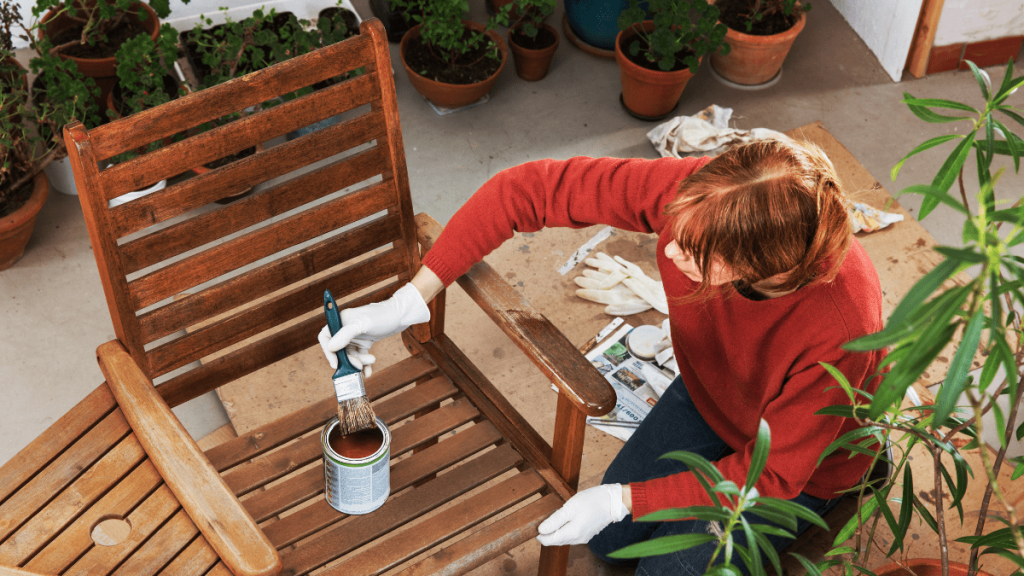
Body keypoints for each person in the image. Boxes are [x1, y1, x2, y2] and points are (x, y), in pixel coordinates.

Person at [318, 138, 886, 575]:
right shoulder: (707, 202)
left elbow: (776, 473)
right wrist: (409, 299)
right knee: (611, 542)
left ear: (758, 270)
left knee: (668, 567)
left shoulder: (839, 324)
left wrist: (622, 498)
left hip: (796, 465)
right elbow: (526, 190)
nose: (667, 249)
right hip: (714, 397)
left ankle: (850, 489)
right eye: (676, 230)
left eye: (692, 255)